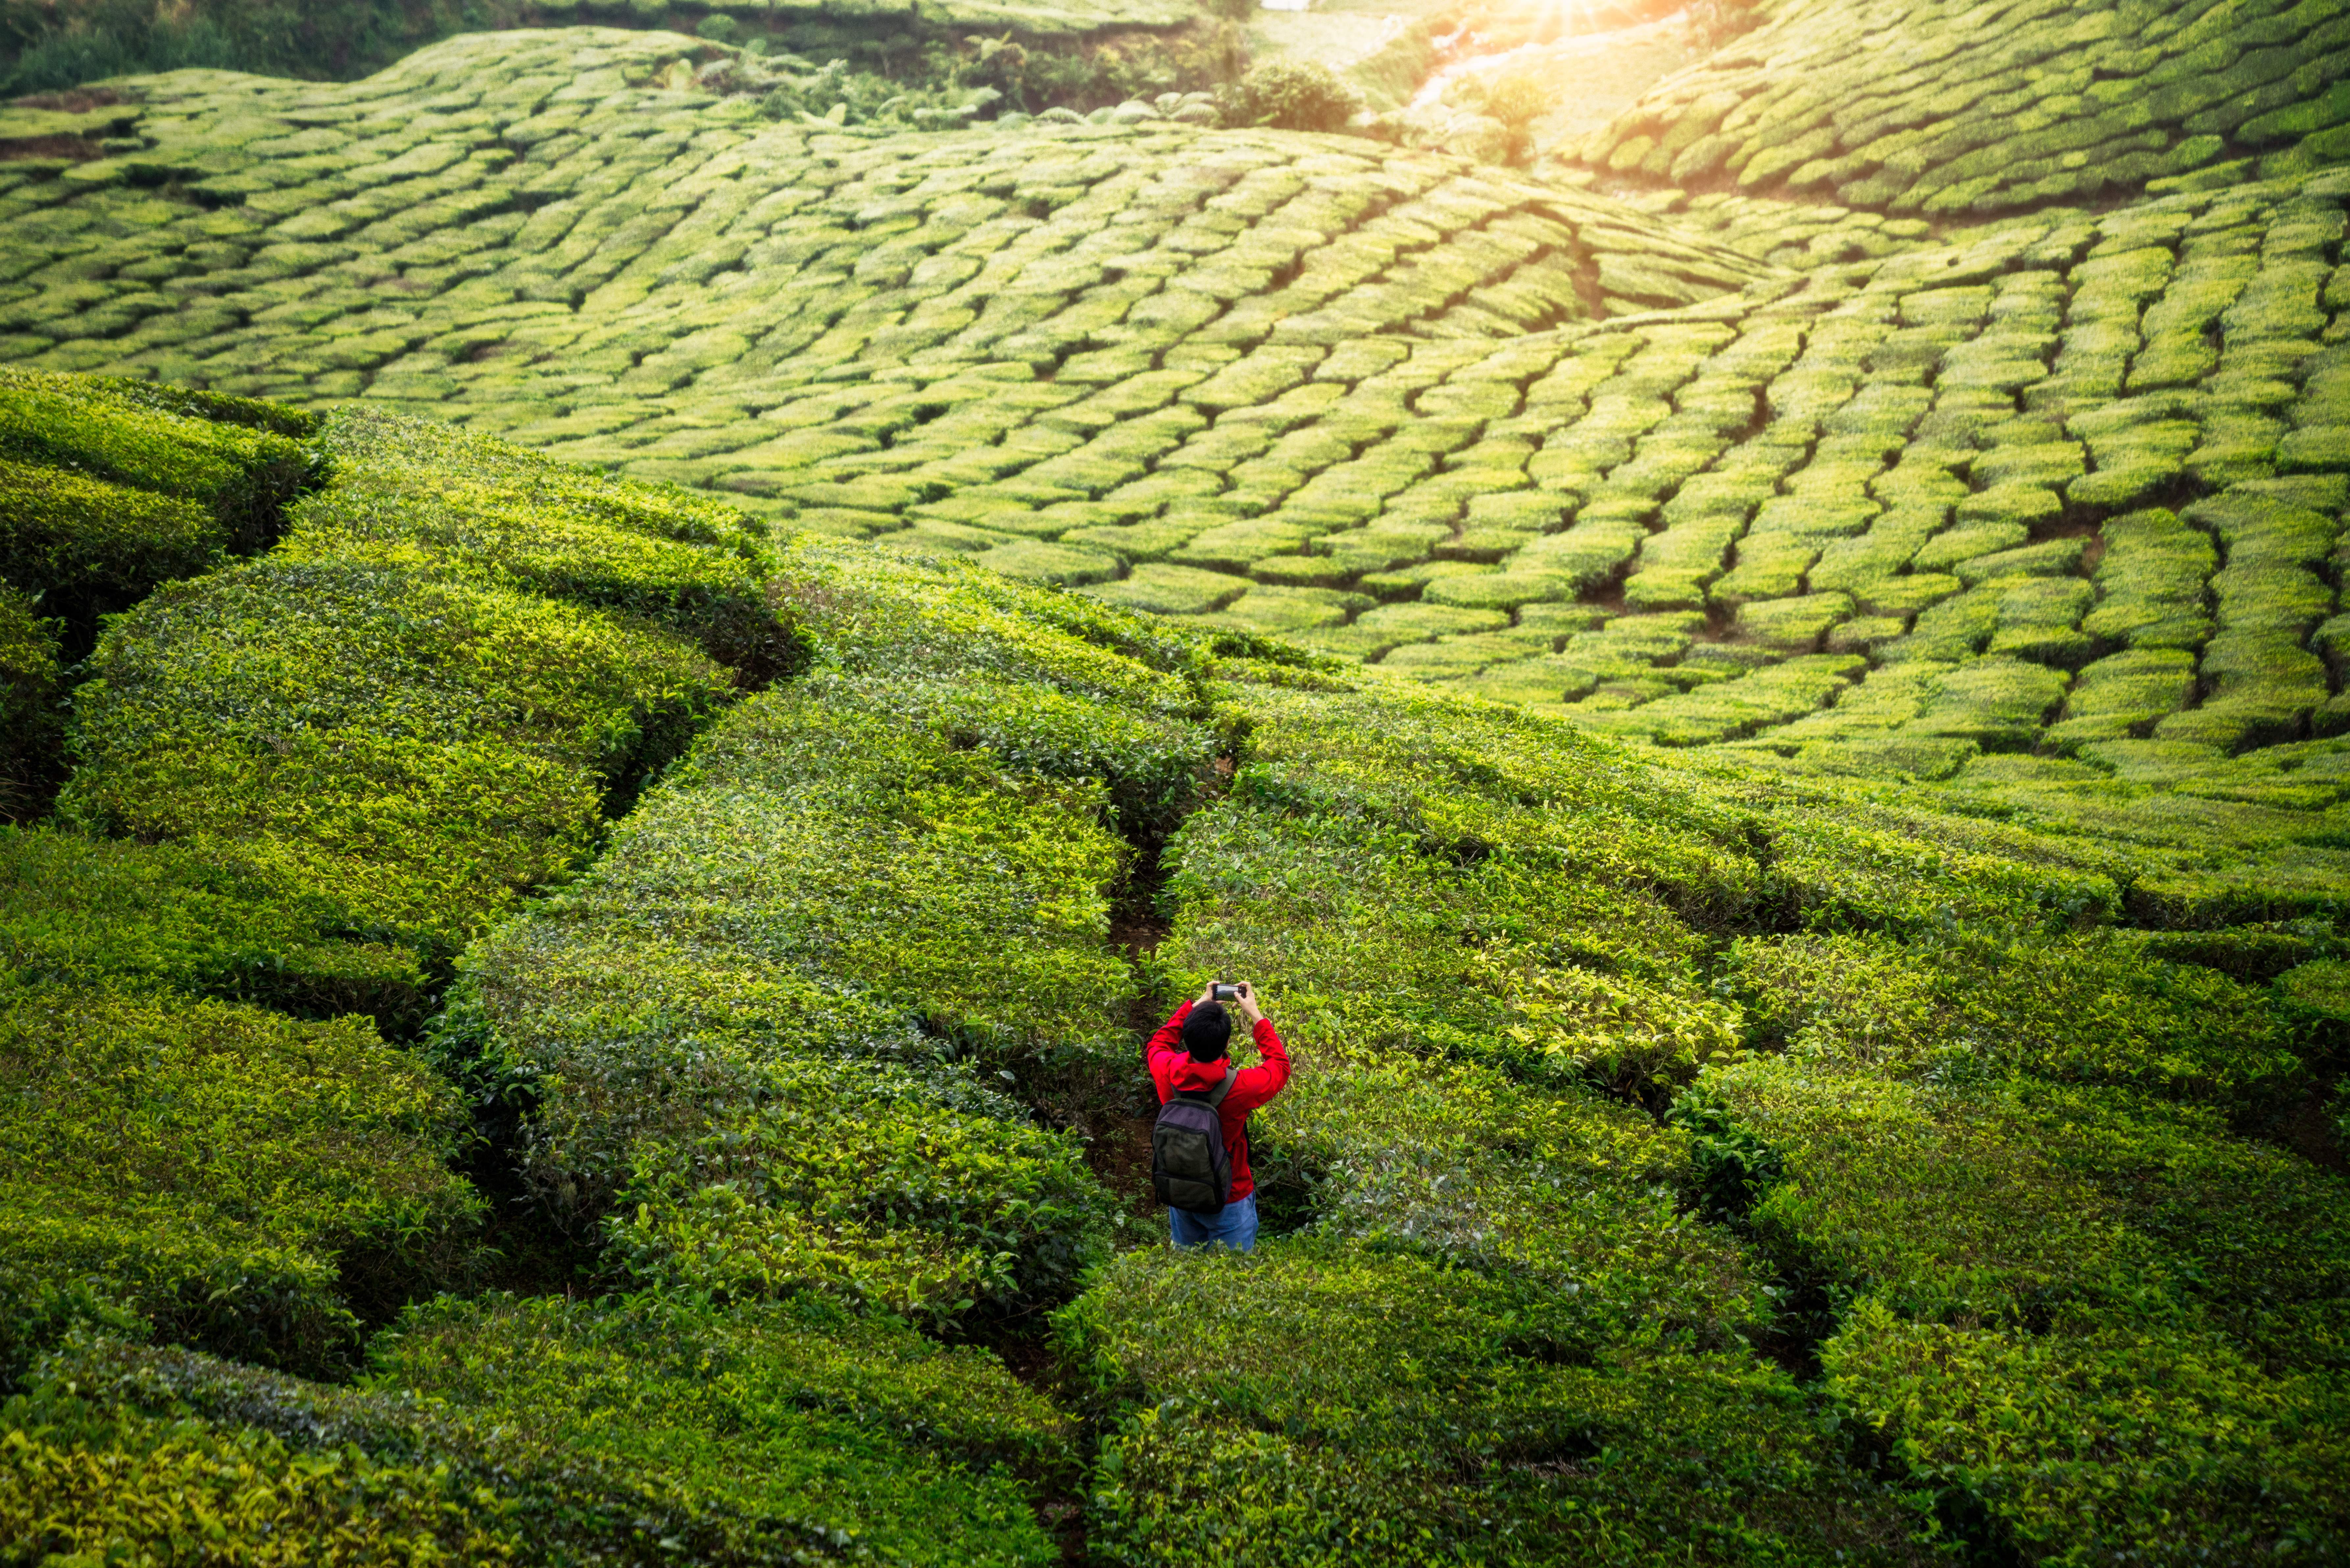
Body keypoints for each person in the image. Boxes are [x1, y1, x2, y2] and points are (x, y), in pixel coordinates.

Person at [1145, 980, 1291, 1252]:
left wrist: (1199, 1003)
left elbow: (1160, 1042)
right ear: (1226, 1043)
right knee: (1233, 1274)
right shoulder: (1240, 1087)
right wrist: (1255, 1014)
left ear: (1187, 1037)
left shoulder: (1166, 1070)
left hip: (1182, 1191)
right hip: (1230, 1197)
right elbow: (1280, 1066)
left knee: (1187, 1270)